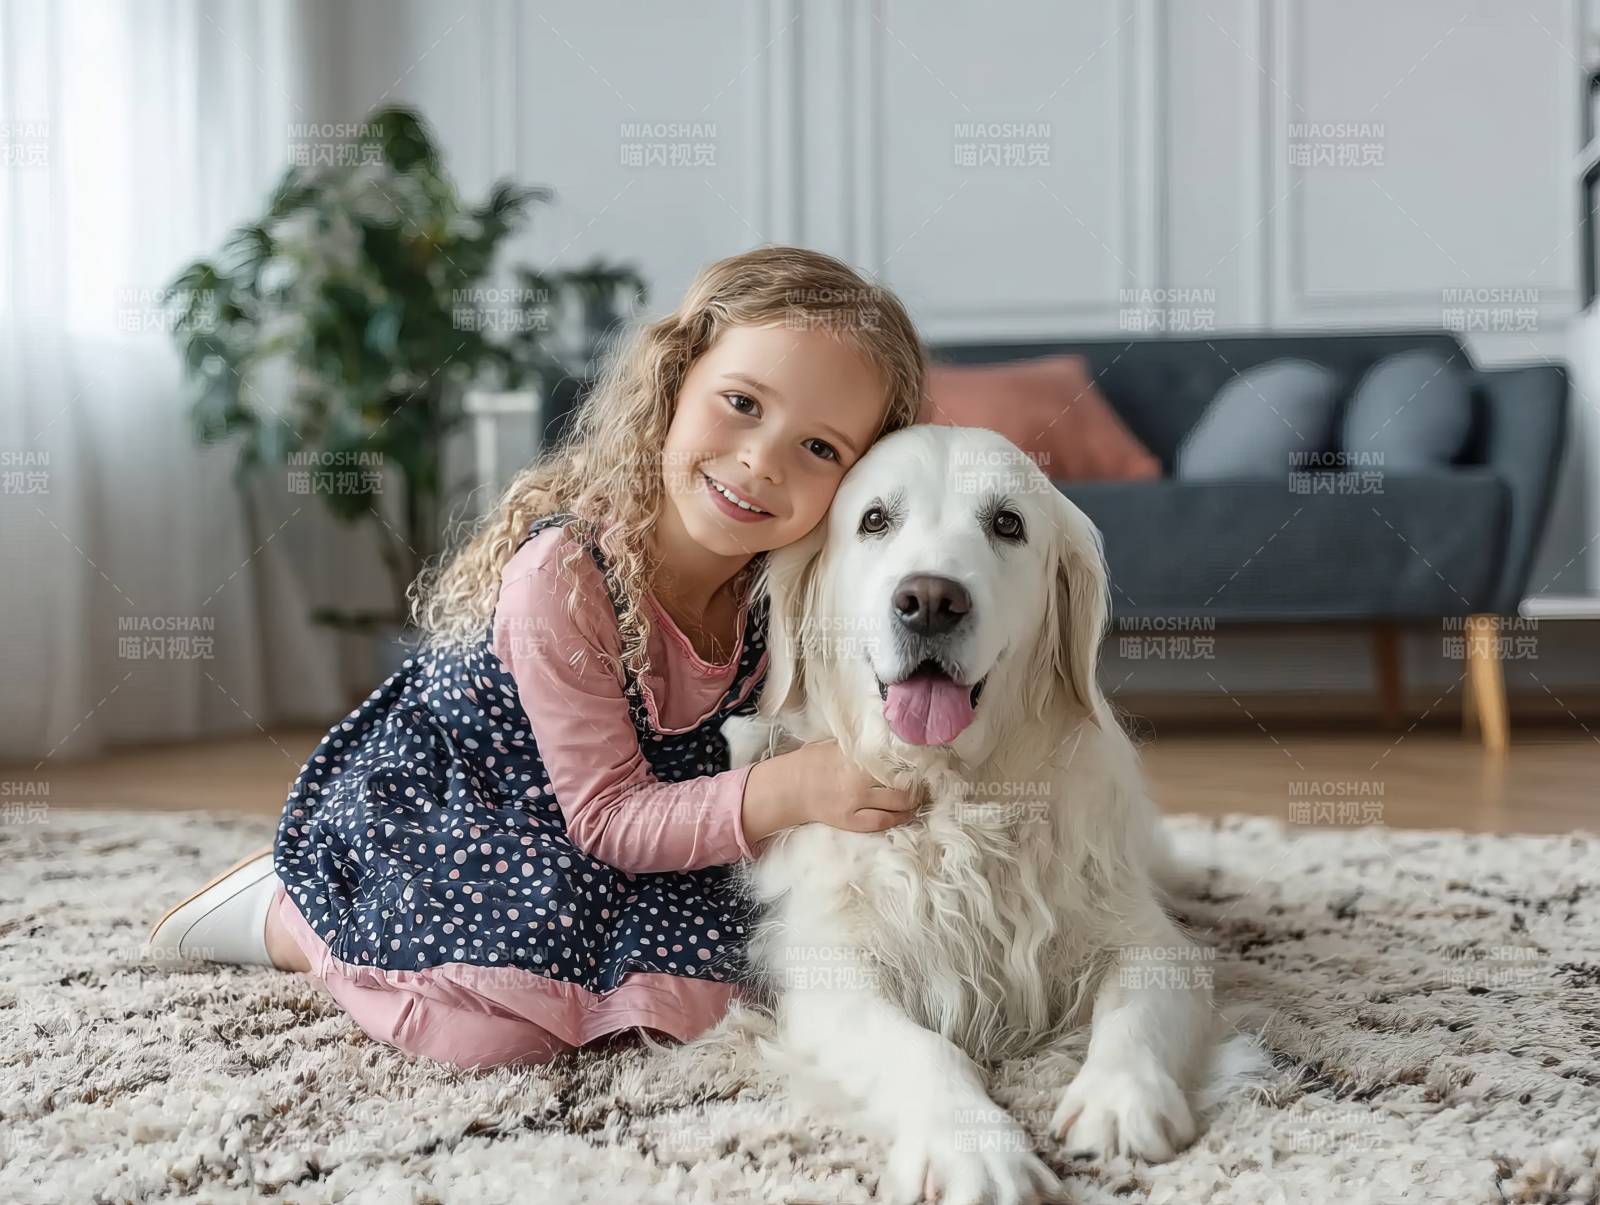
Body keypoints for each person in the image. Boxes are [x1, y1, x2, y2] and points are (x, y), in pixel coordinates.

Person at [146, 245, 929, 1070]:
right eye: (741, 403)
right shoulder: (564, 578)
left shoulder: (784, 586)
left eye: (820, 449)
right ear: (673, 384)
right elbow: (607, 818)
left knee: (715, 1000)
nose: (764, 459)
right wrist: (790, 789)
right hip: (466, 812)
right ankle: (287, 909)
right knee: (495, 1032)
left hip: (621, 826)